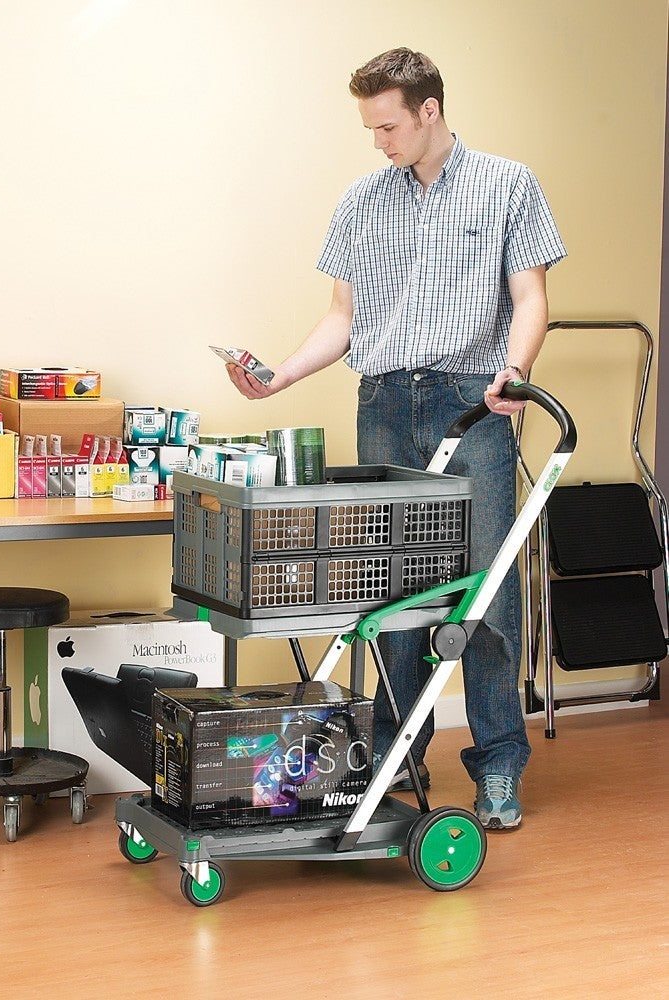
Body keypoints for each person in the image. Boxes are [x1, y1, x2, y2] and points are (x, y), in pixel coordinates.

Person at [225, 47, 566, 830]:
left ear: (428, 112)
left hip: (471, 405)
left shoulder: (507, 184)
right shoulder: (360, 200)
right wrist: (277, 377)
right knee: (387, 590)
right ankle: (391, 752)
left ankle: (498, 766)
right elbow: (343, 320)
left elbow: (529, 295)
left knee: (481, 593)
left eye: (386, 126)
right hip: (382, 402)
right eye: (369, 128)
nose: (377, 142)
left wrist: (511, 374)